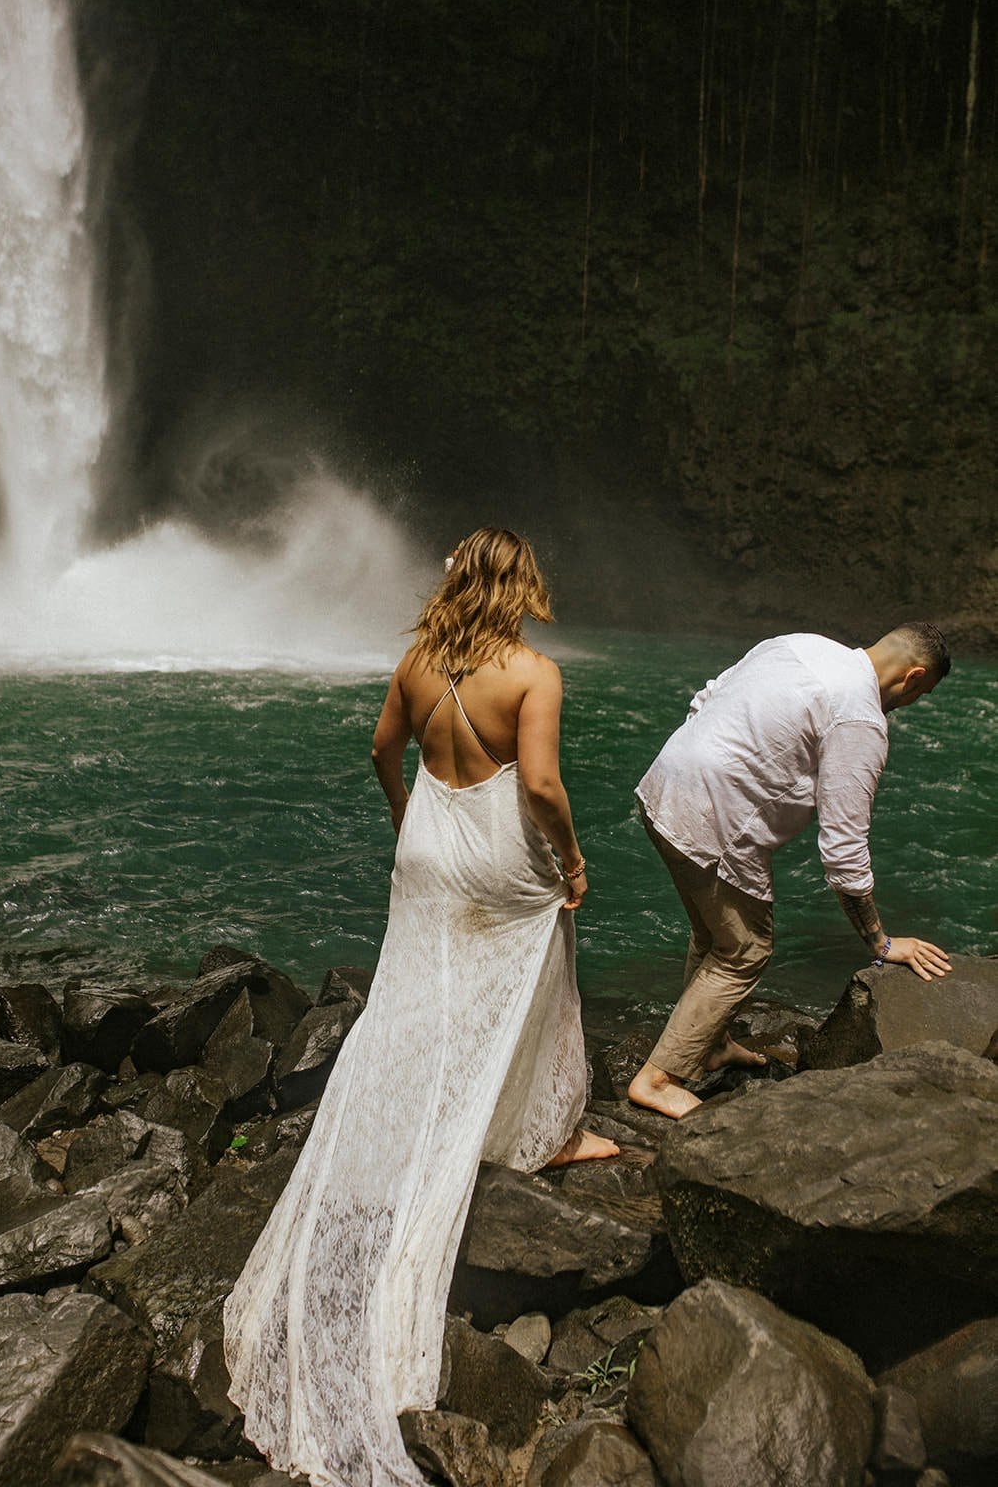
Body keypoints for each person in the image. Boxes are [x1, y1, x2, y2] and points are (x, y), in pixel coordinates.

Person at [223, 528, 617, 1487]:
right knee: (536, 951)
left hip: (427, 845)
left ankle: (410, 1114)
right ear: (520, 585)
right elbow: (540, 785)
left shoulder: (414, 661)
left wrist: (409, 818)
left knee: (410, 994)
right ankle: (537, 1127)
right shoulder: (532, 673)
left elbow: (379, 750)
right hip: (495, 848)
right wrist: (569, 858)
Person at [629, 623, 953, 1120]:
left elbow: (707, 697)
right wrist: (882, 943)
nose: (912, 703)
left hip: (665, 782)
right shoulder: (861, 719)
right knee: (745, 950)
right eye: (922, 694)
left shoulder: (801, 644)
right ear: (913, 678)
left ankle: (711, 1045)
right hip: (714, 819)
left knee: (713, 929)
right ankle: (659, 1078)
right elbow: (844, 849)